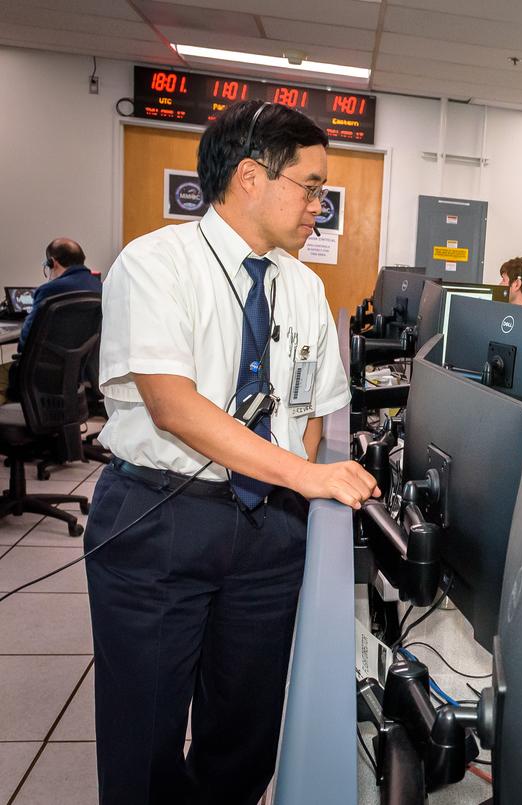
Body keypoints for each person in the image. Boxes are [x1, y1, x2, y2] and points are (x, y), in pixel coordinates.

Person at [86, 100, 379, 805]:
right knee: (144, 741)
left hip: (267, 528)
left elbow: (311, 410)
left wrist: (287, 484)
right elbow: (174, 406)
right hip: (161, 516)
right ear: (251, 177)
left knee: (244, 738)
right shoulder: (156, 263)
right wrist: (302, 473)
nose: (319, 207)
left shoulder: (304, 287)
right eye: (310, 187)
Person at [18, 238, 103, 352]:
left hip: (47, 361)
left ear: (52, 262)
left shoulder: (48, 290)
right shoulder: (100, 287)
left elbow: (26, 340)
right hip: (85, 362)